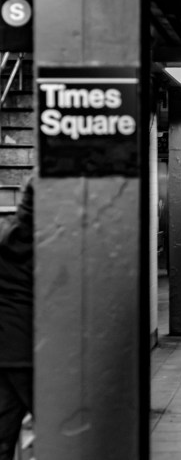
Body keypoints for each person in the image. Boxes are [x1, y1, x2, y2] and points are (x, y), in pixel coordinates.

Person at [0, 179, 33, 460]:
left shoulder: (5, 233)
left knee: (3, 433)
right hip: (34, 352)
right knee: (64, 429)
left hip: (5, 349)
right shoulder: (54, 244)